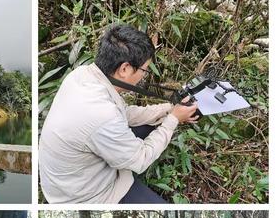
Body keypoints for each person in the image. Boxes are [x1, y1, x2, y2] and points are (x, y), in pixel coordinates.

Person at [39, 23, 199, 204]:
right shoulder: (102, 115)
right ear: (124, 69)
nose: (144, 75)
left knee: (151, 125)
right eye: (144, 69)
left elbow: (123, 113)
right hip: (84, 196)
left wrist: (168, 109)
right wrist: (173, 120)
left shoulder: (82, 75)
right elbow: (141, 160)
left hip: (67, 180)